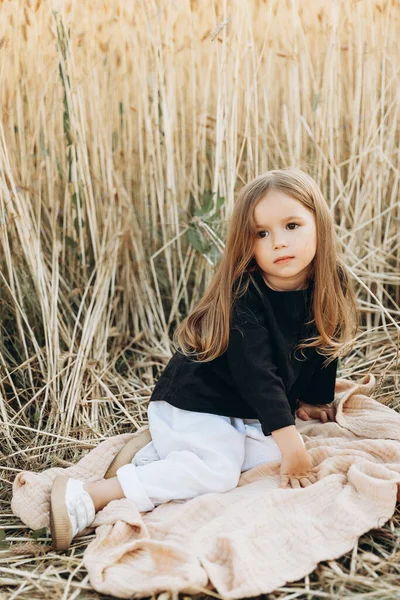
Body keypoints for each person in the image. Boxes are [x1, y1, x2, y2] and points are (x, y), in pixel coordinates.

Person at [48, 167, 359, 551]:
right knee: (219, 473)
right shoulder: (245, 296)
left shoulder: (333, 280)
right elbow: (258, 377)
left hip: (241, 410)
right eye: (261, 233)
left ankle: (154, 457)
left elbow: (324, 343)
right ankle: (94, 493)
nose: (278, 242)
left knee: (270, 450)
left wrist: (315, 398)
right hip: (195, 400)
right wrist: (293, 449)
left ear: (319, 224)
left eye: (292, 225)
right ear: (248, 243)